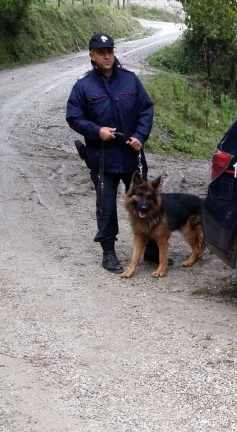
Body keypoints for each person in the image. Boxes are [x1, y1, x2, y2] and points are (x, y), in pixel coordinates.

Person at [66, 32, 160, 273]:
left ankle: (150, 250)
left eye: (110, 51)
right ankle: (108, 252)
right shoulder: (83, 86)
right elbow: (74, 117)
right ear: (92, 55)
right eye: (101, 52)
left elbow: (146, 110)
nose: (107, 56)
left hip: (131, 155)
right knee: (106, 207)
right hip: (102, 158)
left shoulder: (130, 80)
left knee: (146, 202)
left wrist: (140, 135)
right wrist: (97, 131)